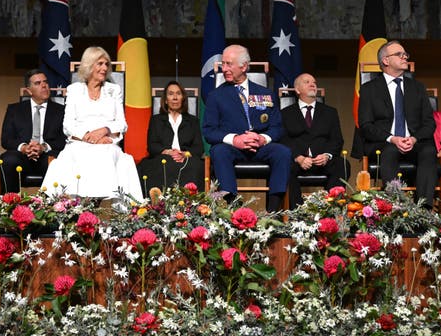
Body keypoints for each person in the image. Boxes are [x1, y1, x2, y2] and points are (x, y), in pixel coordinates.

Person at [41, 46, 143, 200]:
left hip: (107, 143)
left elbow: (122, 124)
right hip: (79, 142)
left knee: (107, 155)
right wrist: (89, 137)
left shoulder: (114, 90)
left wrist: (104, 130)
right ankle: (74, 207)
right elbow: (68, 125)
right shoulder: (74, 90)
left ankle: (104, 204)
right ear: (89, 65)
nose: (104, 68)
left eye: (106, 64)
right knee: (74, 156)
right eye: (100, 63)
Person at [202, 44, 291, 211]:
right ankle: (235, 209)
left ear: (244, 66)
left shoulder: (266, 94)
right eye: (223, 64)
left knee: (283, 152)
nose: (224, 68)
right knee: (218, 151)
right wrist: (235, 139)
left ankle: (272, 212)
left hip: (260, 147)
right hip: (232, 149)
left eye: (229, 64)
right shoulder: (215, 96)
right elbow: (209, 131)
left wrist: (262, 138)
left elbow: (278, 127)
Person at [358, 40, 437, 207]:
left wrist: (414, 138)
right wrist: (392, 138)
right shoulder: (369, 89)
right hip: (384, 143)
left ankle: (423, 210)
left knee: (429, 150)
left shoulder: (417, 87)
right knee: (390, 151)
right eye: (399, 54)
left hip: (413, 142)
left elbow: (429, 123)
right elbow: (366, 125)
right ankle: (395, 208)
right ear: (386, 61)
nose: (404, 57)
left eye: (405, 55)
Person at [280, 73, 347, 209]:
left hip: (322, 160)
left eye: (314, 82)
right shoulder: (285, 113)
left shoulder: (330, 112)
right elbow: (282, 139)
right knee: (283, 165)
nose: (312, 84)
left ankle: (331, 208)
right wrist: (298, 157)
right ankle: (297, 213)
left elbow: (337, 140)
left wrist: (327, 155)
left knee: (342, 164)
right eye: (307, 82)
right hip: (297, 161)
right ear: (298, 90)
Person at [0, 69, 66, 194]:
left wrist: (43, 147)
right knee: (8, 160)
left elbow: (64, 139)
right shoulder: (14, 110)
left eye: (45, 82)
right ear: (29, 90)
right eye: (38, 83)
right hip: (22, 157)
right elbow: (6, 140)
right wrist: (24, 147)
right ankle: (9, 206)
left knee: (57, 162)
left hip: (47, 155)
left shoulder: (61, 110)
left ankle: (54, 210)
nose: (44, 85)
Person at [137, 81, 204, 193]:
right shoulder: (156, 120)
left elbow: (198, 148)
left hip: (186, 158)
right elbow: (152, 146)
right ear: (166, 100)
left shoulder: (193, 121)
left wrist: (184, 154)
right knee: (160, 165)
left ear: (183, 98)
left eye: (178, 93)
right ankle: (160, 204)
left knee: (196, 166)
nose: (175, 97)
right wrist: (167, 152)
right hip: (163, 156)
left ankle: (191, 205)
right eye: (171, 94)